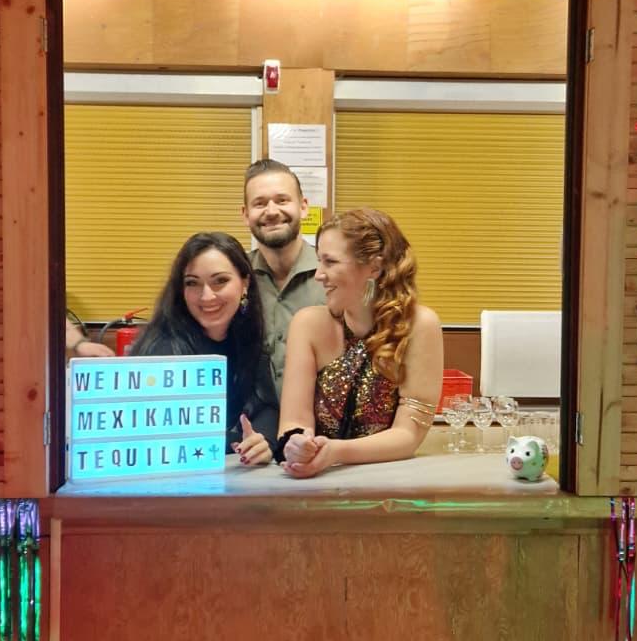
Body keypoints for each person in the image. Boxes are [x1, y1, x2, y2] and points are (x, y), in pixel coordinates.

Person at [276, 208, 443, 478]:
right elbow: (293, 422)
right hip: (318, 482)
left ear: (374, 267)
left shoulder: (419, 325)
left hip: (390, 484)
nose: (318, 274)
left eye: (330, 262)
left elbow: (408, 435)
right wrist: (296, 444)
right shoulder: (307, 324)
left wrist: (336, 452)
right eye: (319, 261)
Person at [129, 232, 277, 466]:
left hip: (234, 476)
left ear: (245, 283)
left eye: (220, 281)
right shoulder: (162, 352)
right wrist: (237, 441)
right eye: (192, 283)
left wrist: (262, 440)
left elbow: (266, 405)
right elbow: (169, 440)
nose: (207, 296)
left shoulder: (248, 335)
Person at [242, 158, 324, 391]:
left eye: (282, 200)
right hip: (254, 412)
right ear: (245, 214)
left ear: (303, 207)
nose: (271, 212)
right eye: (259, 203)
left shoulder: (333, 275)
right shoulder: (235, 277)